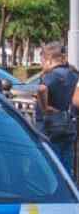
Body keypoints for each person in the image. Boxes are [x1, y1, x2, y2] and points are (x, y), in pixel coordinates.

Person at [38, 42, 77, 177]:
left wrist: (45, 107)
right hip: (70, 123)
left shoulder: (50, 75)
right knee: (67, 162)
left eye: (42, 61)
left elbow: (42, 89)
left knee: (50, 163)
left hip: (51, 125)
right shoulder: (73, 73)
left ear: (48, 59)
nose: (41, 64)